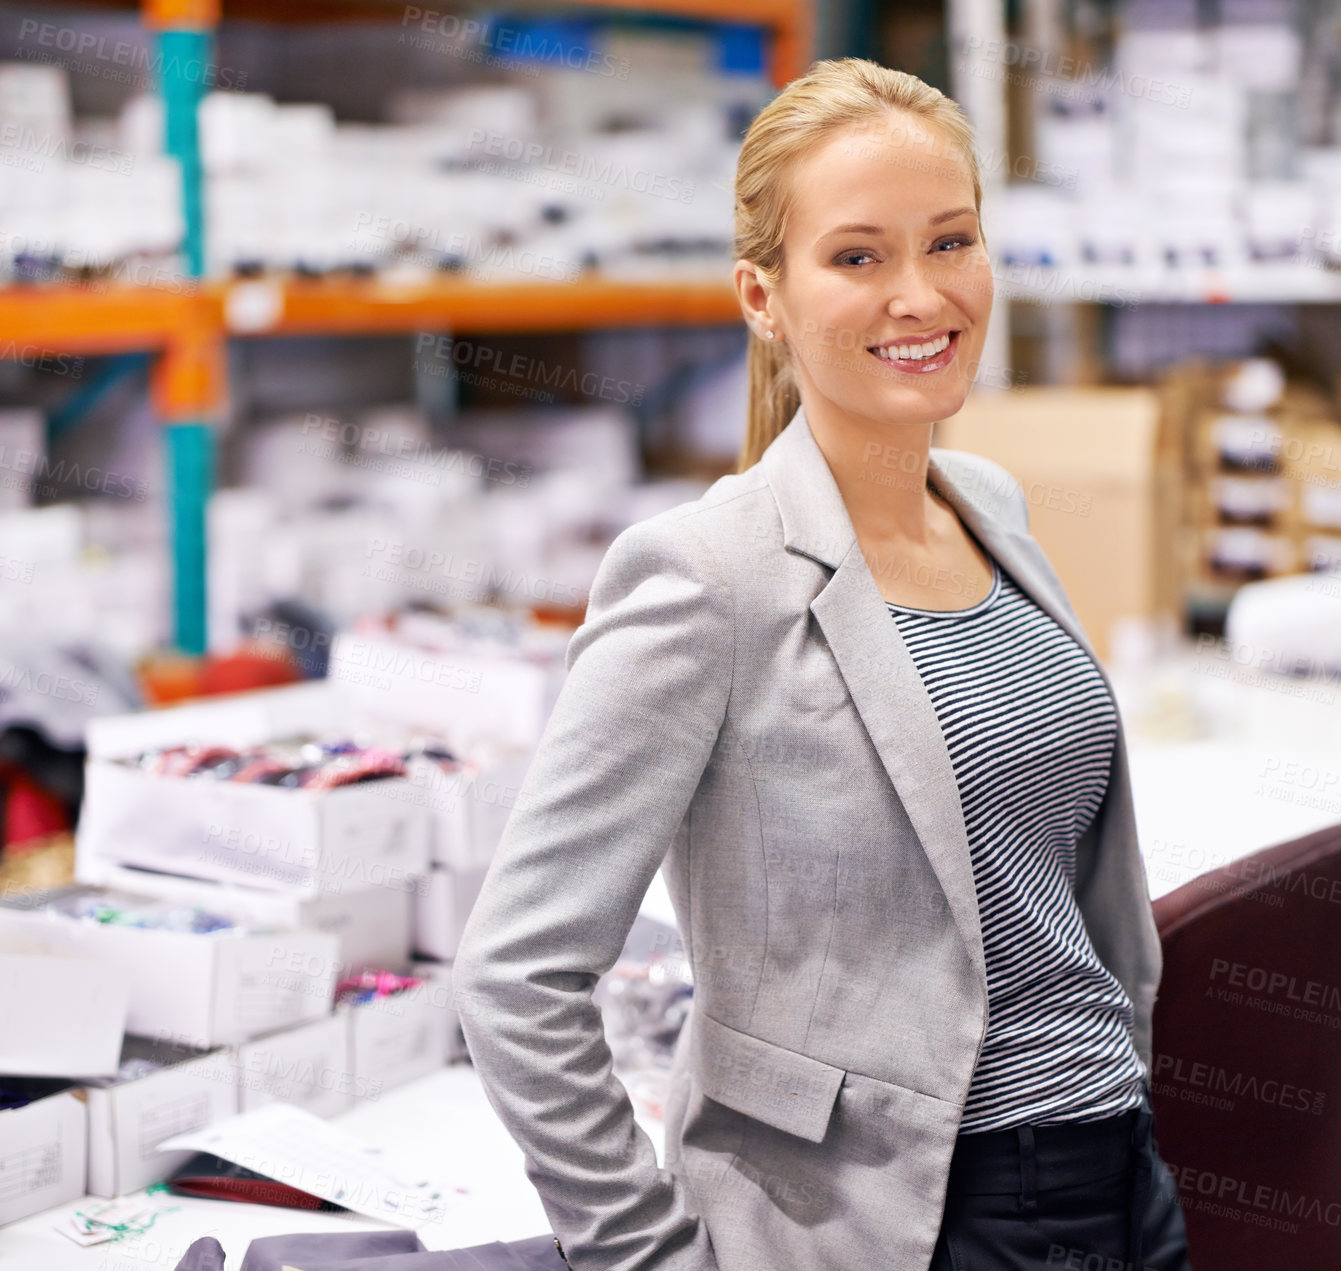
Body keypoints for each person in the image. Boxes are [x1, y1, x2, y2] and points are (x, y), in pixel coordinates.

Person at [453, 56, 1192, 1271]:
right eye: (858, 257)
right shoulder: (704, 576)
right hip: (917, 1214)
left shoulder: (989, 504)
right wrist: (648, 1257)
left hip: (1114, 1165)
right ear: (762, 295)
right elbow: (515, 976)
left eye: (951, 241)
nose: (923, 294)